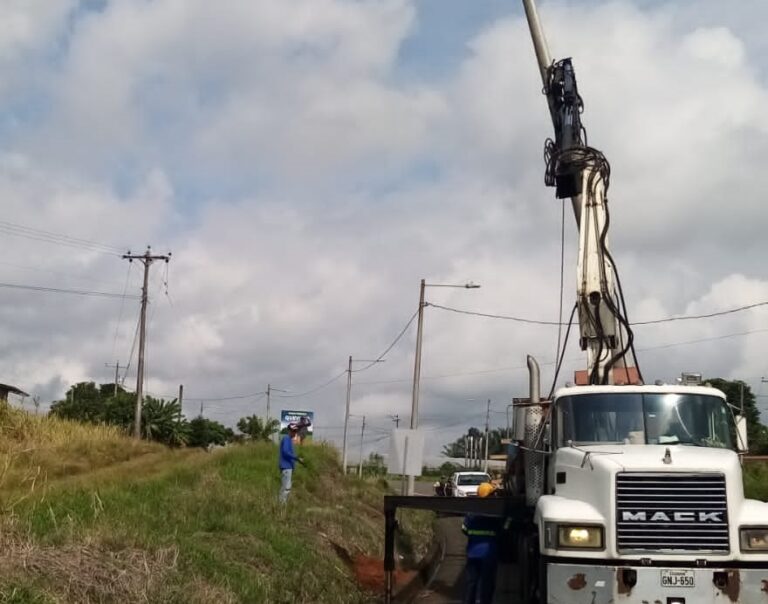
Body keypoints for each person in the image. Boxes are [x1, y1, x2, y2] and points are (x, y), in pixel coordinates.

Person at [462, 482, 507, 604]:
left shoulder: (471, 512)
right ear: (489, 495)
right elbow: (503, 530)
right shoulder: (494, 513)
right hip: (489, 554)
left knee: (471, 582)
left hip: (472, 553)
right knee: (487, 583)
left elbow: (464, 530)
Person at [279, 423, 304, 504]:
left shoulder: (289, 439)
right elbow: (285, 452)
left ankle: (281, 505)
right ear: (289, 430)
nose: (295, 433)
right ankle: (282, 506)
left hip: (288, 467)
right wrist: (296, 458)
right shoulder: (286, 438)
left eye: (296, 431)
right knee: (286, 488)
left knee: (285, 487)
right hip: (286, 467)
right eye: (293, 431)